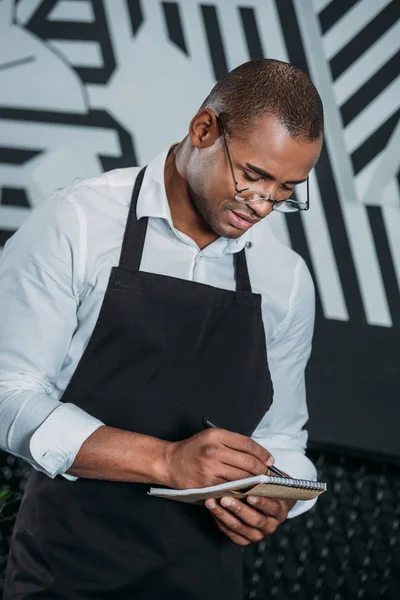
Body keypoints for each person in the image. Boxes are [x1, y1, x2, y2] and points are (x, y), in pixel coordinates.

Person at [0, 58, 323, 599]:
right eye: (252, 176)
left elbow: (282, 437)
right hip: (67, 573)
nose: (264, 205)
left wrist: (280, 498)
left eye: (287, 189)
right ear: (203, 130)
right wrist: (165, 461)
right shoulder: (78, 222)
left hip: (206, 580)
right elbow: (7, 393)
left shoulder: (285, 279)